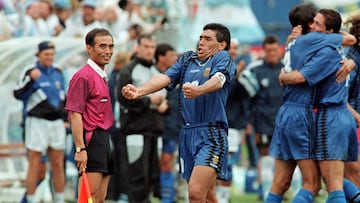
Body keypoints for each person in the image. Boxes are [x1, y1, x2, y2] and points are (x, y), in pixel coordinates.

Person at [121, 23, 236, 202]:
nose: (201, 42)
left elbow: (219, 80)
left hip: (211, 133)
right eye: (200, 38)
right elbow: (165, 77)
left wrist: (200, 90)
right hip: (188, 134)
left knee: (196, 192)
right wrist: (140, 91)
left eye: (208, 39)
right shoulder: (187, 59)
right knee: (208, 195)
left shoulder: (222, 57)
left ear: (221, 45)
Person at [274, 9, 358, 203]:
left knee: (325, 183)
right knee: (333, 179)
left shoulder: (321, 50)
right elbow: (349, 40)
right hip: (338, 115)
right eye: (312, 22)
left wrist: (282, 77)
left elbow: (299, 77)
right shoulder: (334, 49)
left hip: (327, 117)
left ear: (329, 32)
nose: (313, 26)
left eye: (317, 23)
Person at [65, 28, 115, 203]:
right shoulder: (83, 77)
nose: (108, 51)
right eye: (102, 46)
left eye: (110, 46)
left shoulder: (101, 75)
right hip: (91, 140)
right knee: (88, 197)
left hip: (104, 138)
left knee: (100, 198)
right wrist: (80, 149)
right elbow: (75, 114)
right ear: (89, 48)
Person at [13, 41, 67, 203]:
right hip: (37, 122)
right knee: (35, 164)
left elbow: (63, 97)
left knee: (58, 163)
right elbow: (17, 93)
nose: (49, 57)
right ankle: (30, 199)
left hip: (56, 123)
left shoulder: (58, 72)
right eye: (46, 54)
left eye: (52, 54)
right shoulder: (31, 71)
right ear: (39, 55)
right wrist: (30, 79)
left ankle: (59, 199)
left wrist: (65, 119)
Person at [117, 33, 167, 203]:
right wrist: (149, 101)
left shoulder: (156, 71)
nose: (149, 50)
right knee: (137, 175)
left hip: (155, 130)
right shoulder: (128, 70)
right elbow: (122, 99)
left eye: (152, 47)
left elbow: (166, 97)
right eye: (145, 46)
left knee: (152, 176)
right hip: (135, 130)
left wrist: (165, 105)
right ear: (137, 47)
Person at [216, 38, 257, 203]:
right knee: (212, 163)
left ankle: (223, 197)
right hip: (213, 123)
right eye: (230, 48)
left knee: (228, 163)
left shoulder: (243, 72)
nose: (233, 51)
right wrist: (233, 77)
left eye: (235, 48)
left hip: (233, 125)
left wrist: (239, 77)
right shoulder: (215, 70)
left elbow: (250, 94)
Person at [247, 34, 284, 200]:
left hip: (284, 123)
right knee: (267, 157)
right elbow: (248, 99)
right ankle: (268, 193)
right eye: (268, 50)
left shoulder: (287, 69)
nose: (271, 53)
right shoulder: (255, 70)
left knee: (285, 158)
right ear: (263, 51)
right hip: (262, 123)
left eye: (274, 50)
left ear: (279, 50)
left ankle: (281, 191)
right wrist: (249, 122)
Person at [154, 43, 180, 203]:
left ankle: (168, 197)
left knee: (168, 162)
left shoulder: (177, 76)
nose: (175, 59)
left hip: (173, 127)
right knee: (163, 162)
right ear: (161, 57)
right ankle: (165, 197)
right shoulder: (155, 75)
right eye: (171, 55)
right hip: (157, 127)